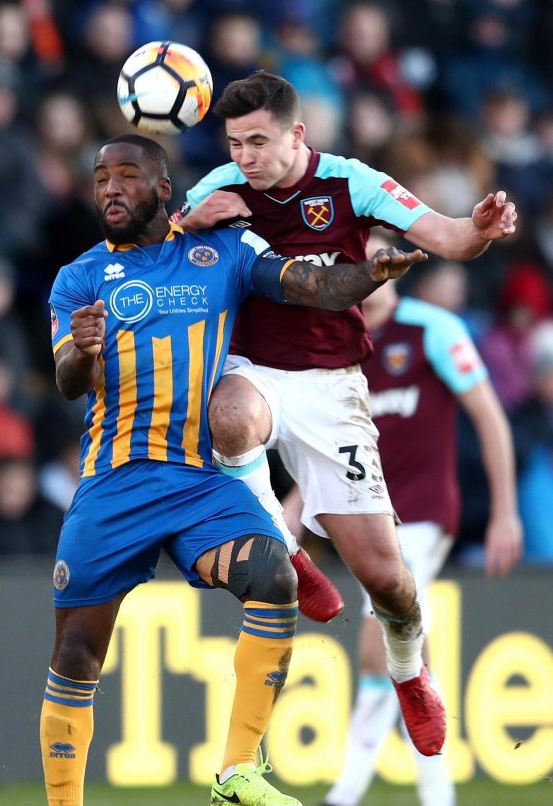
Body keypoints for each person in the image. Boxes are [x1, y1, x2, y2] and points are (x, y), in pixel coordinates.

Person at [41, 133, 427, 806]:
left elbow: (308, 285)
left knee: (275, 577)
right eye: (100, 177)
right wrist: (79, 355)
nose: (110, 187)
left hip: (197, 481)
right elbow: (66, 381)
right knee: (76, 657)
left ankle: (236, 766)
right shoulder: (80, 276)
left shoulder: (219, 250)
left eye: (127, 175)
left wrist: (372, 272)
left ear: (163, 186)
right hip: (114, 484)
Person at [178, 70, 517, 764]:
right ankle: (291, 552)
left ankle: (408, 670)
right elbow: (148, 258)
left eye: (258, 142)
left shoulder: (350, 181)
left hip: (332, 388)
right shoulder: (218, 188)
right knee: (228, 416)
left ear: (297, 135)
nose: (244, 156)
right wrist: (184, 223)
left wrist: (480, 230)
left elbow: (448, 238)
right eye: (235, 143)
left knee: (389, 581)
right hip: (252, 368)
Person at [291, 232, 522, 806]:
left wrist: (504, 511)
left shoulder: (431, 330)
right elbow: (323, 443)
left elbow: (490, 418)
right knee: (411, 661)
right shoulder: (336, 341)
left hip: (421, 516)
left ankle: (340, 804)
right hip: (369, 516)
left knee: (377, 649)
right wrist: (292, 510)